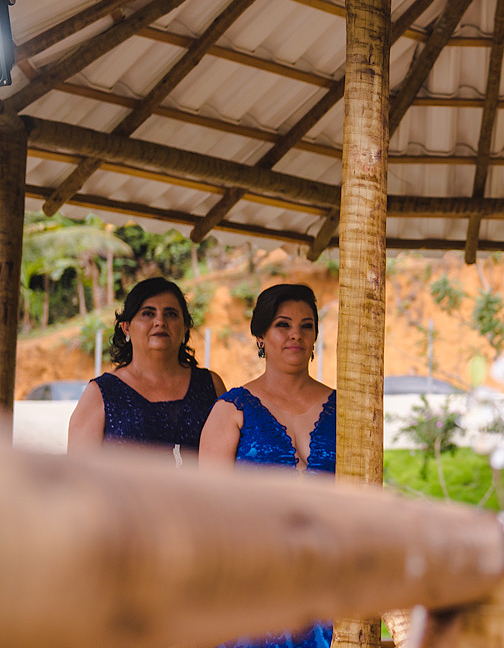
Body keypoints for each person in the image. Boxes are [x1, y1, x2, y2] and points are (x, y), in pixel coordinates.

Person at [200, 283, 335, 648]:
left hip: (333, 589)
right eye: (283, 325)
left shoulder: (346, 409)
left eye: (306, 326)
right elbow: (210, 514)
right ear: (261, 335)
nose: (296, 334)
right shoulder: (231, 411)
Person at [68, 276, 225, 464]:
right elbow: (78, 476)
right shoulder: (100, 394)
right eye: (148, 314)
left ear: (185, 328)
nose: (160, 321)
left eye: (171, 314)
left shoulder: (210, 385)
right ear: (126, 328)